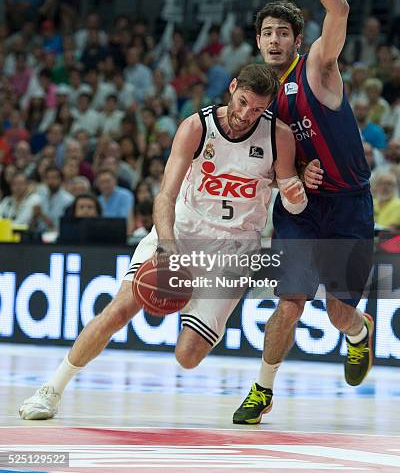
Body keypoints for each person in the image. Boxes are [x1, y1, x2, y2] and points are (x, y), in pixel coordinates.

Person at [19, 63, 309, 420]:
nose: (246, 114)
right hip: (182, 232)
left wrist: (296, 191)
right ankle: (51, 390)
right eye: (243, 102)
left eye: (257, 109)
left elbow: (295, 203)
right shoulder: (196, 126)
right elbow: (164, 197)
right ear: (232, 87)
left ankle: (202, 322)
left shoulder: (278, 136)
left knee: (188, 357)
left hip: (234, 249)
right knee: (119, 310)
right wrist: (167, 247)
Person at [233, 0, 375, 425]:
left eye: (282, 33)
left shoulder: (317, 68)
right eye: (266, 32)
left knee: (339, 314)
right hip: (299, 208)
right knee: (290, 302)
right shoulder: (256, 98)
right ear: (257, 41)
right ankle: (262, 389)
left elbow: (338, 12)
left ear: (296, 40)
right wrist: (289, 176)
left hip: (349, 204)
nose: (274, 39)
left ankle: (360, 334)